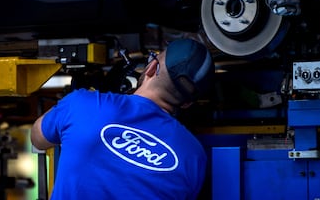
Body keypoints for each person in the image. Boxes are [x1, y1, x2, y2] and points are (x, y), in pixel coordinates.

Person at [31, 38, 215, 200]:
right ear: (186, 104)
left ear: (151, 68)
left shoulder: (82, 104)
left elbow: (37, 138)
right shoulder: (194, 156)